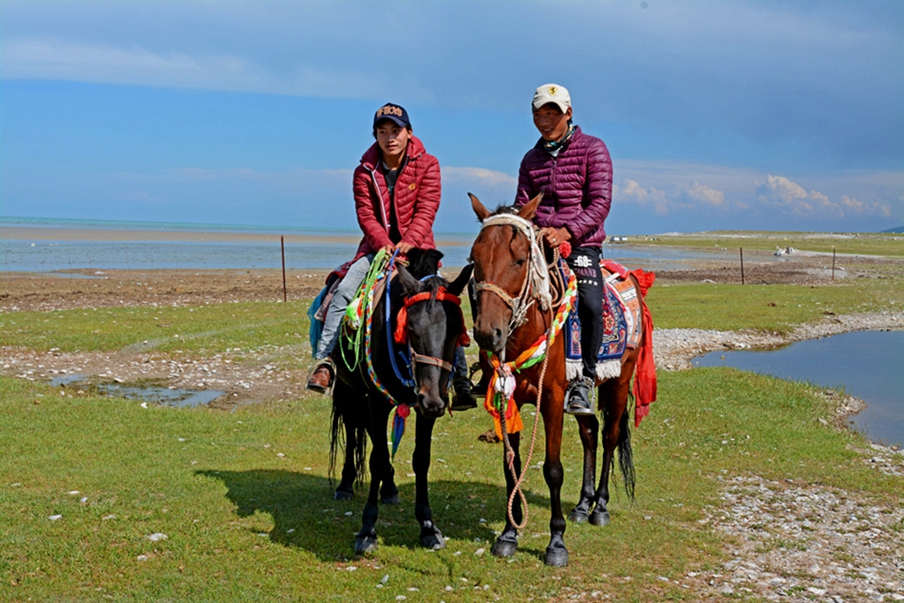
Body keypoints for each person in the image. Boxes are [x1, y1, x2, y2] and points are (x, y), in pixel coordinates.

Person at [307, 103, 476, 410]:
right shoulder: (364, 171)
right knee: (343, 291)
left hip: (420, 251)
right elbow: (365, 214)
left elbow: (428, 207)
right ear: (375, 136)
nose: (389, 138)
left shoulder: (429, 165)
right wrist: (384, 244)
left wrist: (409, 243)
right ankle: (326, 362)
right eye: (382, 132)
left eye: (395, 131)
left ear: (409, 133)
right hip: (377, 250)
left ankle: (461, 379)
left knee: (440, 306)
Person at [514, 83, 613, 415]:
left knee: (589, 302)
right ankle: (498, 368)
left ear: (568, 113)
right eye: (539, 113)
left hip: (582, 243)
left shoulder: (593, 149)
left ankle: (585, 378)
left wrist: (567, 231)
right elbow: (522, 205)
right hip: (539, 242)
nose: (545, 120)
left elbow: (600, 203)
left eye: (552, 112)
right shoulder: (530, 159)